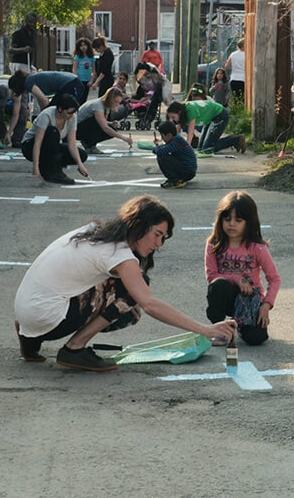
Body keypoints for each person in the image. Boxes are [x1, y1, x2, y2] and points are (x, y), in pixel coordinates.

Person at [14, 196, 237, 371]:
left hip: (27, 313)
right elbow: (149, 304)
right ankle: (74, 348)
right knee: (134, 290)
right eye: (157, 234)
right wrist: (205, 329)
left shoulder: (94, 231)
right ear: (138, 225)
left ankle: (30, 341)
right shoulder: (118, 254)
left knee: (128, 293)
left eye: (164, 238)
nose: (159, 244)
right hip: (50, 318)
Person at [204, 191, 280, 346]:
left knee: (256, 339)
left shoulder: (257, 247)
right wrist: (237, 279)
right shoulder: (214, 244)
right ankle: (218, 329)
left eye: (238, 220)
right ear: (220, 220)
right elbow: (211, 276)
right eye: (227, 219)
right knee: (218, 284)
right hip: (226, 296)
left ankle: (239, 325)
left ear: (249, 222)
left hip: (249, 300)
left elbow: (274, 279)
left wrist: (266, 305)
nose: (231, 224)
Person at [21, 93, 90, 185]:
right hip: (30, 146)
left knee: (82, 155)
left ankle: (48, 166)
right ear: (60, 109)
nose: (71, 115)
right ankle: (53, 172)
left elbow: (72, 143)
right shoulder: (47, 115)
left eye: (73, 112)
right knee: (52, 131)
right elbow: (38, 143)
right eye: (69, 112)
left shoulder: (72, 118)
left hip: (50, 147)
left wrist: (80, 165)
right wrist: (35, 169)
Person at [5, 69, 85, 145]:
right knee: (57, 112)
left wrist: (45, 117)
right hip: (71, 82)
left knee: (60, 112)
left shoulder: (28, 83)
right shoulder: (30, 79)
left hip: (71, 84)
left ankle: (63, 139)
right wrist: (44, 114)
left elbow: (44, 101)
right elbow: (41, 102)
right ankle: (60, 139)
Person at [166, 99, 246, 154]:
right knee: (201, 149)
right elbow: (177, 132)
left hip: (220, 115)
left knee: (208, 149)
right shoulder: (181, 114)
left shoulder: (190, 110)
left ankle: (237, 140)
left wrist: (186, 149)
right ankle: (232, 139)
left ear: (179, 112)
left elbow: (191, 132)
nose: (173, 120)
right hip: (209, 119)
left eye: (173, 117)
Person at [76, 87, 133, 153]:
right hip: (77, 130)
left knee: (112, 128)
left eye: (118, 102)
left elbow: (103, 122)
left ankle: (88, 142)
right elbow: (105, 127)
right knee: (102, 126)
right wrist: (125, 138)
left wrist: (111, 123)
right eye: (116, 101)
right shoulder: (98, 105)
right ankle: (90, 145)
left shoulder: (105, 105)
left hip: (83, 126)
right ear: (110, 99)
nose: (117, 104)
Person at [153, 120, 196, 189]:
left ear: (169, 135)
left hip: (188, 172)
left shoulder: (176, 142)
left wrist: (157, 146)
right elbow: (164, 148)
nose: (162, 138)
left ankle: (174, 180)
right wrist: (159, 146)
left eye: (162, 136)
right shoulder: (176, 139)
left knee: (162, 157)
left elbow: (160, 151)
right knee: (163, 155)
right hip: (188, 170)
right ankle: (175, 179)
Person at [225, 38, 247, 102]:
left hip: (234, 78)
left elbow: (227, 66)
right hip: (243, 78)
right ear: (244, 45)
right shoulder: (246, 55)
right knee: (243, 98)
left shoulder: (233, 54)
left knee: (236, 98)